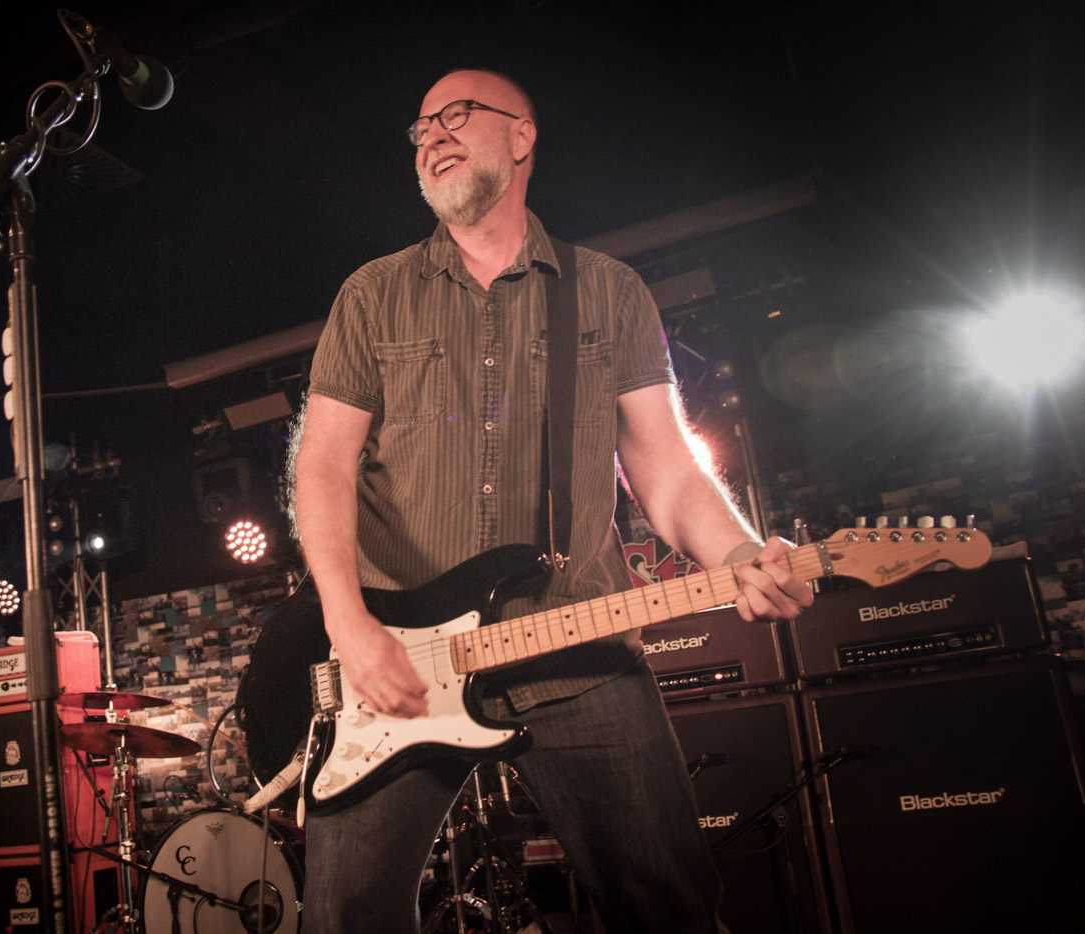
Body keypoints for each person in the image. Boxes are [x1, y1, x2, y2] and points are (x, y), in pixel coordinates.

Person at [289, 69, 814, 933]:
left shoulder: (607, 290)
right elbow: (322, 467)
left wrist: (738, 554)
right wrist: (351, 627)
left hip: (576, 646)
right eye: (420, 127)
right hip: (398, 662)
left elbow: (666, 467)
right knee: (345, 917)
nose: (432, 136)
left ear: (522, 136)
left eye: (457, 115)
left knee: (670, 907)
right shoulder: (371, 294)